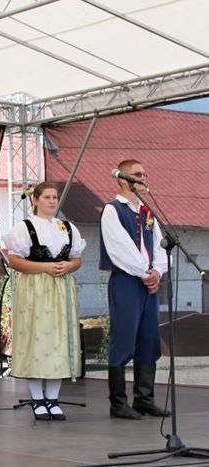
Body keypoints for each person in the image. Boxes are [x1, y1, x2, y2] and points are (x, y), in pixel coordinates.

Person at [3, 182, 86, 421]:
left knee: (58, 340)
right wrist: (44, 267)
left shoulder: (66, 227)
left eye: (55, 197)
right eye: (47, 197)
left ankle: (53, 398)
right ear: (35, 200)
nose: (52, 201)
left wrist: (68, 266)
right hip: (35, 288)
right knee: (37, 340)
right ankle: (37, 398)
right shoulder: (25, 227)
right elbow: (14, 261)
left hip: (61, 289)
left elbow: (77, 259)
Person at [100, 159, 169, 420]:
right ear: (121, 179)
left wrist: (158, 271)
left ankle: (144, 399)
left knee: (149, 338)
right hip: (127, 281)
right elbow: (120, 248)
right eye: (137, 174)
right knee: (124, 337)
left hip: (148, 281)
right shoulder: (112, 210)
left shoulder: (147, 212)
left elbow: (159, 245)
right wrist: (145, 273)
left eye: (144, 174)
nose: (142, 178)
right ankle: (118, 403)